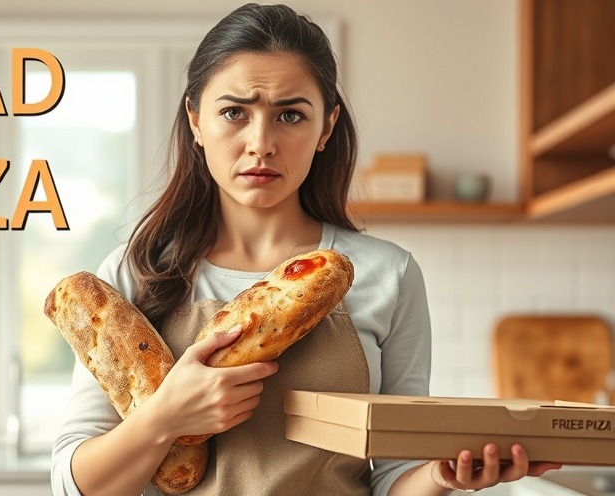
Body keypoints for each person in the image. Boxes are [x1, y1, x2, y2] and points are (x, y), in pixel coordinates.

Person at [51, 4, 561, 495]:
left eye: (290, 116)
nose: (261, 143)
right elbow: (73, 486)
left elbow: (392, 475)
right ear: (195, 122)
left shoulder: (388, 274)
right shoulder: (135, 274)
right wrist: (164, 419)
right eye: (233, 112)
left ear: (327, 127)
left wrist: (442, 478)